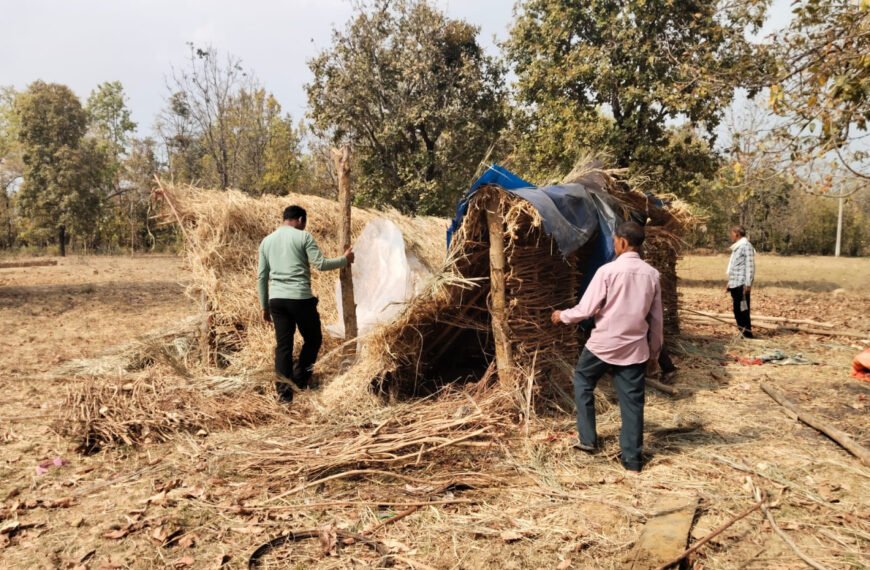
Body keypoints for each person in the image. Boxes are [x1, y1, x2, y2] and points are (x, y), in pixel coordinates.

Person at [550, 221, 663, 472]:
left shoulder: (607, 272)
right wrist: (654, 353)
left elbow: (586, 309)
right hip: (634, 349)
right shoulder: (652, 275)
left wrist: (562, 316)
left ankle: (588, 440)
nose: (614, 245)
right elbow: (657, 320)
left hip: (602, 345)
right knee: (632, 403)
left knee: (582, 381)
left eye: (614, 241)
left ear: (622, 242)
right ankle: (632, 460)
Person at [257, 205, 354, 401]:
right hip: (300, 298)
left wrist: (264, 306)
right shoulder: (303, 237)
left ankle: (284, 395)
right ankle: (300, 379)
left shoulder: (266, 242)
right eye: (304, 222)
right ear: (300, 219)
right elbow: (321, 264)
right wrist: (345, 260)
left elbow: (262, 276)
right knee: (313, 338)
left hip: (276, 300)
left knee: (283, 346)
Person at [726, 225, 755, 339]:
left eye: (732, 233)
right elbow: (734, 266)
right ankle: (742, 332)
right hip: (735, 283)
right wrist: (729, 282)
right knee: (737, 310)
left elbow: (750, 266)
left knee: (743, 310)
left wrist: (748, 284)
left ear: (737, 234)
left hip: (741, 284)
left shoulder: (746, 246)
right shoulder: (737, 247)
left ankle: (747, 334)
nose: (731, 236)